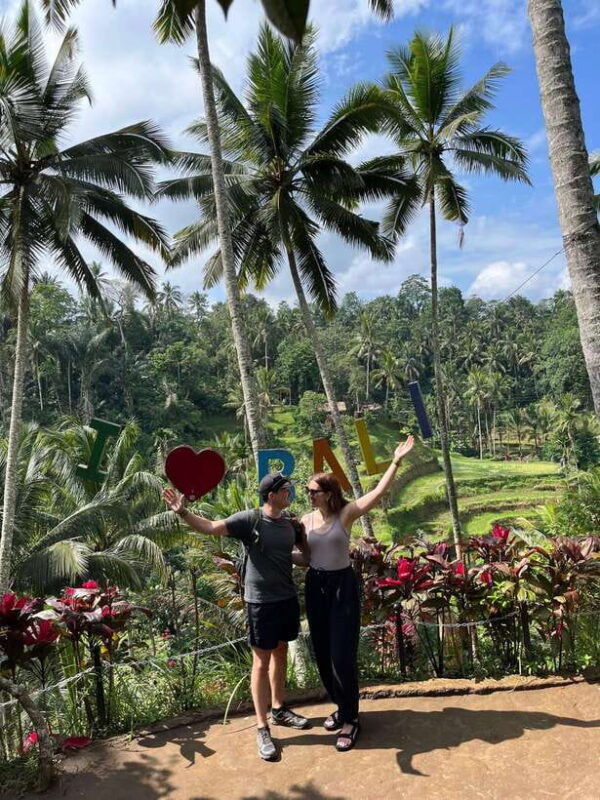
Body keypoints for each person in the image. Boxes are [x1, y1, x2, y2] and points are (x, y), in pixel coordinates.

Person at [163, 472, 311, 762]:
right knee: (261, 661)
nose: (290, 493)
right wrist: (183, 513)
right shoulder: (250, 520)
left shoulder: (288, 524)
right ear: (271, 495)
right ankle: (262, 726)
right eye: (286, 490)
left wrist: (304, 539)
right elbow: (211, 527)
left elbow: (303, 559)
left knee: (281, 652)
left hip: (286, 599)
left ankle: (279, 709)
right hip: (260, 603)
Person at [301, 435, 415, 752]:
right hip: (315, 586)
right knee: (322, 654)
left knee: (341, 655)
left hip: (342, 587)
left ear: (327, 493)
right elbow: (306, 559)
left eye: (313, 491)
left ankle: (351, 719)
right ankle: (341, 707)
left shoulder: (346, 514)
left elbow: (377, 494)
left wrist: (395, 461)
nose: (308, 496)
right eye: (307, 491)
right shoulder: (304, 521)